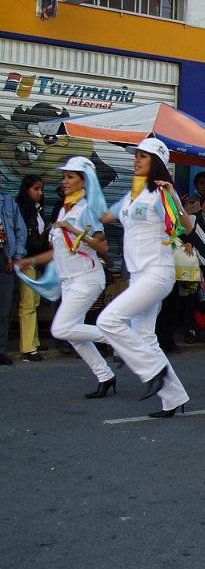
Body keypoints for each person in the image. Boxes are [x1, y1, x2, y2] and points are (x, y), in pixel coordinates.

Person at [97, 138, 192, 416]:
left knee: (108, 320)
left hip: (157, 274)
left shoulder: (161, 194)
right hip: (138, 276)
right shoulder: (131, 196)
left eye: (143, 156)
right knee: (145, 336)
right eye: (136, 155)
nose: (136, 160)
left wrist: (174, 196)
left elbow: (185, 226)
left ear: (157, 164)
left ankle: (152, 372)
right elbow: (104, 216)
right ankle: (174, 398)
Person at [17, 157, 116, 396]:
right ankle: (105, 376)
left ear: (85, 181)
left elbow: (103, 248)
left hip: (87, 277)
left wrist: (73, 229)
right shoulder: (65, 207)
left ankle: (119, 336)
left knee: (62, 329)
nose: (66, 181)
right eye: (65, 176)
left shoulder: (87, 208)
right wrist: (29, 261)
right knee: (74, 333)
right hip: (69, 279)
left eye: (71, 176)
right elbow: (57, 251)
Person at [15, 175, 49, 362]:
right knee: (28, 302)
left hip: (37, 258)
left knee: (34, 301)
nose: (39, 193)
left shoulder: (38, 209)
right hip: (27, 258)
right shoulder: (21, 209)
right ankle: (28, 348)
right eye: (35, 189)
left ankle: (33, 341)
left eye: (41, 189)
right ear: (26, 189)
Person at [0, 189, 26, 366]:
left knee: (3, 309)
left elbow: (20, 230)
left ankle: (0, 350)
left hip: (4, 258)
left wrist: (16, 256)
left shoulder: (9, 203)